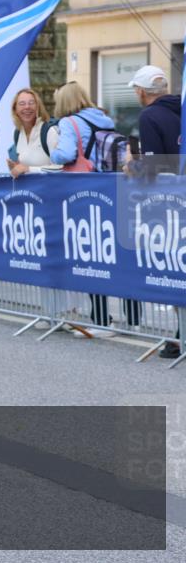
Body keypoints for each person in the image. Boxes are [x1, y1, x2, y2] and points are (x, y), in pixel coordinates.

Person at [50, 81, 122, 337]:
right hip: (106, 189)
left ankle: (101, 319)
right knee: (103, 254)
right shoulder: (103, 119)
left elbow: (66, 154)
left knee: (87, 256)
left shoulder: (69, 123)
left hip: (79, 192)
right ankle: (129, 317)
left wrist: (55, 151)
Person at [128, 65, 181, 358]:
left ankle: (179, 336)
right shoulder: (180, 108)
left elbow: (152, 167)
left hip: (171, 204)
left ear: (142, 91)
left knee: (174, 269)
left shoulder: (149, 115)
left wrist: (131, 165)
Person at [7, 88, 59, 178]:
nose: (27, 107)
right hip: (28, 191)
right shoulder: (17, 133)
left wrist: (28, 169)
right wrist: (16, 168)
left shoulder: (49, 132)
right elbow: (24, 166)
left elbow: (59, 168)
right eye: (22, 104)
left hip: (50, 190)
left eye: (31, 103)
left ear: (38, 107)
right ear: (15, 109)